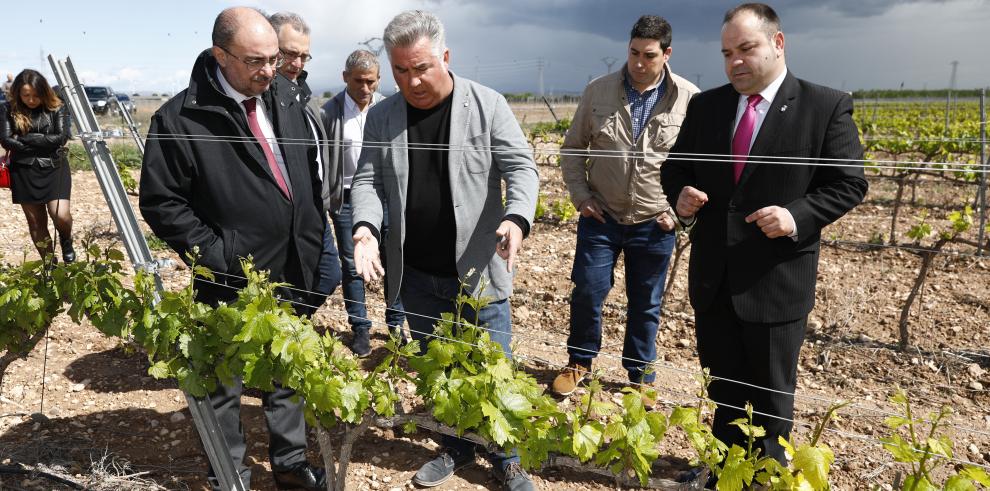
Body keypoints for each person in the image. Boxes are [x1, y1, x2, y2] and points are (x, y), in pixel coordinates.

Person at [661, 3, 867, 463]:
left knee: (772, 402)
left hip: (774, 284)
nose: (735, 61)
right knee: (723, 392)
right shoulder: (707, 105)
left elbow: (851, 183)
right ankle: (724, 471)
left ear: (778, 43)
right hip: (714, 282)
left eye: (746, 48)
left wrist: (797, 216)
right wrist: (682, 196)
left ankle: (765, 476)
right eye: (727, 52)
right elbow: (675, 169)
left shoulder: (824, 105)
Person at [138, 7, 327, 490]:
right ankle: (230, 474)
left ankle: (290, 463)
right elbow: (163, 204)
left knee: (288, 367)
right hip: (229, 274)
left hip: (294, 262)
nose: (271, 70)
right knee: (223, 380)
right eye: (255, 61)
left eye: (274, 58)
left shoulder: (286, 96)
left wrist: (315, 236)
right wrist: (219, 256)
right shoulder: (181, 117)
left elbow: (306, 170)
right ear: (221, 56)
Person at [349, 11, 538, 491]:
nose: (412, 81)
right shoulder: (385, 115)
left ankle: (508, 458)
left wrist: (516, 218)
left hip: (478, 271)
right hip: (416, 275)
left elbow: (522, 169)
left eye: (421, 68)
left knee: (496, 368)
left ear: (445, 58)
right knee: (442, 369)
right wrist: (366, 228)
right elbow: (368, 179)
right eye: (401, 71)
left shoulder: (487, 105)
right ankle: (456, 446)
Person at [552, 15, 699, 402]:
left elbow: (701, 167)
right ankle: (579, 361)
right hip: (601, 216)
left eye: (648, 55)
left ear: (667, 54)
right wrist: (582, 197)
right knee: (587, 290)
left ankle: (640, 374)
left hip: (655, 221)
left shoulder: (689, 99)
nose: (638, 62)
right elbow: (572, 149)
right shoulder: (598, 91)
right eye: (633, 52)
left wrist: (678, 215)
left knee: (646, 302)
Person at [322, 49, 407, 357]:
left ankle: (396, 326)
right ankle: (360, 328)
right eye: (359, 81)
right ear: (346, 78)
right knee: (352, 264)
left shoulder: (390, 108)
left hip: (384, 196)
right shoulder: (329, 113)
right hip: (345, 199)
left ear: (379, 80)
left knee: (392, 259)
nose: (365, 88)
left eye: (371, 81)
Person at [269, 10, 342, 310]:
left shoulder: (304, 96)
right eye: (289, 54)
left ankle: (292, 328)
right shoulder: (263, 99)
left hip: (315, 211)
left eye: (304, 56)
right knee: (289, 282)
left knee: (327, 276)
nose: (297, 63)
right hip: (286, 215)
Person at [0, 69, 75, 263]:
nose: (31, 100)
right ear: (18, 92)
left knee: (61, 215)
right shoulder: (8, 109)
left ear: (44, 91)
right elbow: (6, 141)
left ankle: (66, 239)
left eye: (36, 95)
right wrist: (42, 140)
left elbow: (60, 138)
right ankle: (50, 264)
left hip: (54, 167)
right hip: (23, 170)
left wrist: (26, 138)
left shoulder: (57, 107)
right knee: (35, 222)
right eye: (26, 95)